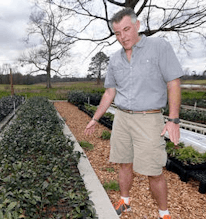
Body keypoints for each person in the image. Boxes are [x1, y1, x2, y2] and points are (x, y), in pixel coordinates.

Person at [84, 8, 184, 219]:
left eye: (127, 30)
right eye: (118, 33)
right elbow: (110, 92)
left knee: (154, 170)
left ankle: (164, 213)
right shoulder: (115, 59)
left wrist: (173, 120)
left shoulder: (159, 47)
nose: (123, 37)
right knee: (124, 162)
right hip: (121, 118)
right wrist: (95, 118)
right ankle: (125, 201)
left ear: (137, 26)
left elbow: (173, 81)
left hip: (149, 118)